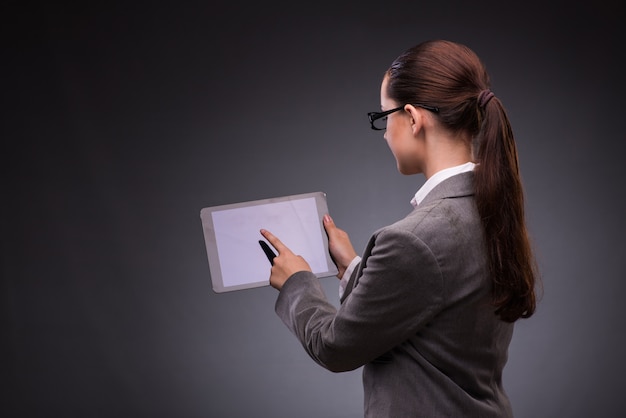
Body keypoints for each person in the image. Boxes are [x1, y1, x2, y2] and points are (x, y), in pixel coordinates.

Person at [260, 39, 539, 417]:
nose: (386, 134)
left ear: (412, 118)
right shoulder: (490, 209)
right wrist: (354, 267)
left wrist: (297, 282)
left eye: (383, 117)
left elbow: (334, 346)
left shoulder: (413, 241)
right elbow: (431, 303)